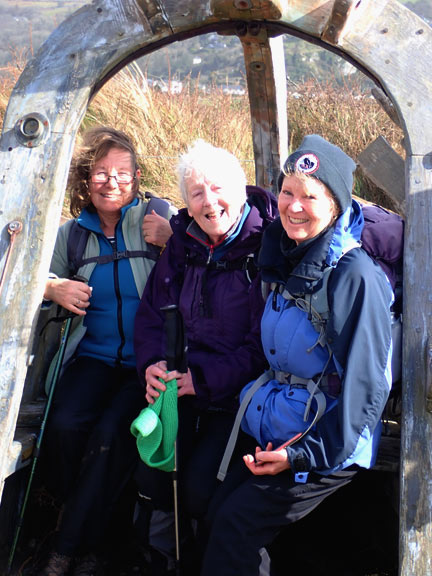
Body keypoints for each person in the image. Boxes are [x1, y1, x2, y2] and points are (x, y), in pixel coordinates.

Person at [200, 134, 394, 576]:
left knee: (235, 527)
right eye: (288, 191)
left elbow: (367, 391)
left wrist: (300, 455)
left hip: (328, 443)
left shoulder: (353, 276)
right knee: (212, 512)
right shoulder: (284, 255)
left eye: (310, 195)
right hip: (283, 424)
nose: (294, 205)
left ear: (336, 205)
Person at [133, 139, 278, 574]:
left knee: (199, 490)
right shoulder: (184, 244)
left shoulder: (266, 248)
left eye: (217, 188)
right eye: (196, 193)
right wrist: (151, 366)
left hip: (235, 398)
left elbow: (264, 346)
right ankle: (163, 559)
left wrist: (205, 378)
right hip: (180, 388)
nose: (209, 201)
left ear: (240, 189)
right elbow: (151, 314)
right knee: (153, 474)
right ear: (187, 203)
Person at [37, 126, 175, 576]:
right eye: (100, 172)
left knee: (110, 436)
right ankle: (83, 529)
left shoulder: (157, 219)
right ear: (86, 179)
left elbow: (199, 266)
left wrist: (174, 238)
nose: (111, 182)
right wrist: (54, 287)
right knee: (62, 426)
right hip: (93, 359)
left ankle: (67, 548)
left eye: (121, 173)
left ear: (136, 178)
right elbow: (32, 280)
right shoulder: (71, 235)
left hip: (146, 366)